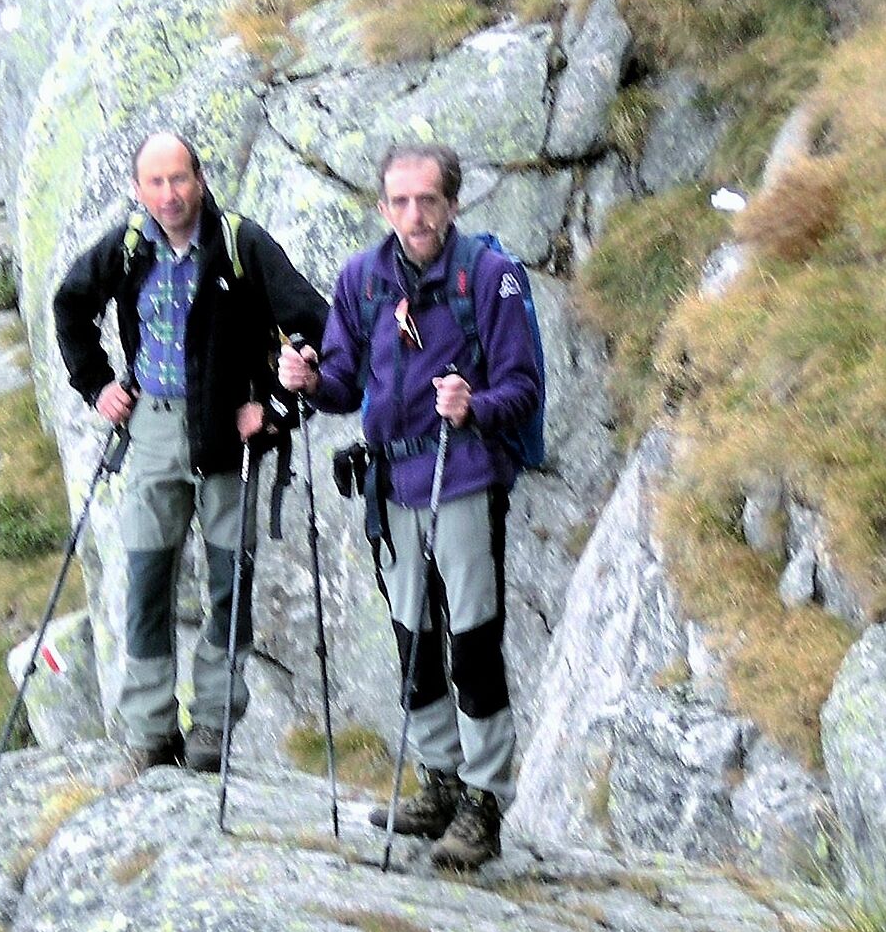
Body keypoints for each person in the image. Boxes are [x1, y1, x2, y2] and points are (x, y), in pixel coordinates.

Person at [279, 142, 541, 873]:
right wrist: (307, 379)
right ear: (382, 206)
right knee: (414, 639)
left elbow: (521, 387)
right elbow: (342, 382)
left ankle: (483, 801)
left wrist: (474, 403)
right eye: (400, 201)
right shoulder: (361, 279)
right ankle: (440, 780)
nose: (414, 214)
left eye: (428, 200)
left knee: (474, 640)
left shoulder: (489, 278)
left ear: (453, 203)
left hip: (463, 475)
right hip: (391, 485)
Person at [53, 132, 328, 776]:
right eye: (155, 182)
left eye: (179, 179)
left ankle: (212, 722)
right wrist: (96, 384)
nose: (169, 194)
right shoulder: (127, 247)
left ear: (200, 180)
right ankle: (150, 729)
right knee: (147, 579)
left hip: (229, 436)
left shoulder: (241, 244)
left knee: (228, 582)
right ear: (137, 189)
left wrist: (274, 406)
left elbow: (314, 323)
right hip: (150, 428)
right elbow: (70, 304)